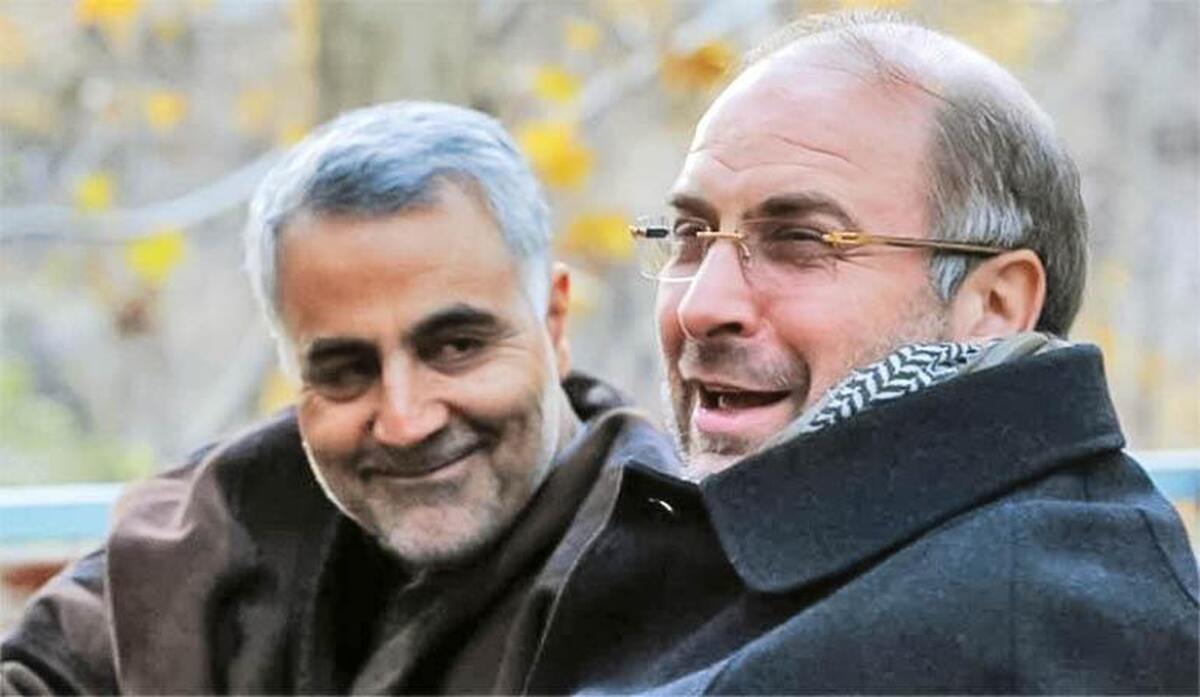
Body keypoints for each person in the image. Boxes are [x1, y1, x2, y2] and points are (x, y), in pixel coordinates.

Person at [518, 12, 1199, 694]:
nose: (700, 305)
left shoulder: (1025, 637)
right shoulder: (868, 573)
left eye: (799, 240)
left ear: (993, 305)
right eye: (692, 235)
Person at [0, 102, 678, 694]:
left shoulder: (672, 572)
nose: (406, 421)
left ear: (554, 322)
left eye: (456, 346)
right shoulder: (215, 525)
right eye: (346, 370)